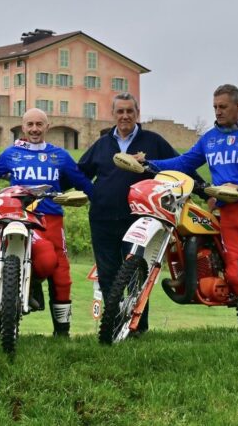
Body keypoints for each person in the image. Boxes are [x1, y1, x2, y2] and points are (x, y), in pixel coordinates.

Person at [145, 84, 238, 335]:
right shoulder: (209, 139)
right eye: (215, 107)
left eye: (223, 107)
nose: (217, 112)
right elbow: (183, 162)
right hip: (226, 210)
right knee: (233, 268)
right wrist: (148, 164)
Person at [0, 107, 95, 337]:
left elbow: (82, 183)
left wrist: (100, 199)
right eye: (30, 124)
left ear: (47, 127)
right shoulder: (11, 154)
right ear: (23, 126)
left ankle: (62, 332)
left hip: (51, 220)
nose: (35, 129)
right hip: (17, 218)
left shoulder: (60, 156)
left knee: (59, 271)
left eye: (39, 124)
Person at [77, 92, 179, 337]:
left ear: (137, 114)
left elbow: (180, 166)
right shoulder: (102, 145)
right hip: (102, 219)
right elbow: (79, 172)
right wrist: (92, 192)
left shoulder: (153, 141)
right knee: (108, 275)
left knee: (137, 274)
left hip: (141, 221)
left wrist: (203, 189)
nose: (124, 116)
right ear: (113, 115)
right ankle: (112, 327)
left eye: (129, 111)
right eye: (120, 111)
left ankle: (137, 329)